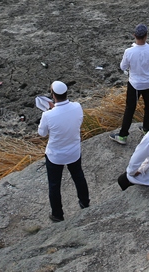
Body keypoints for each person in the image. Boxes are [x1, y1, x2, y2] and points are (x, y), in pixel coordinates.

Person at [37, 81, 90, 222]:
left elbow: (42, 133)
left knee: (54, 185)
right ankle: (85, 203)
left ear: (53, 96)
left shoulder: (48, 115)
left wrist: (48, 111)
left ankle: (57, 214)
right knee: (79, 177)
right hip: (73, 151)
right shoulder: (77, 107)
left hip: (56, 155)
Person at [111, 24, 149, 145]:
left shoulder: (129, 51)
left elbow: (123, 66)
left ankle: (123, 135)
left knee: (130, 109)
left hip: (135, 84)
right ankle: (147, 129)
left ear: (134, 35)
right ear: (146, 36)